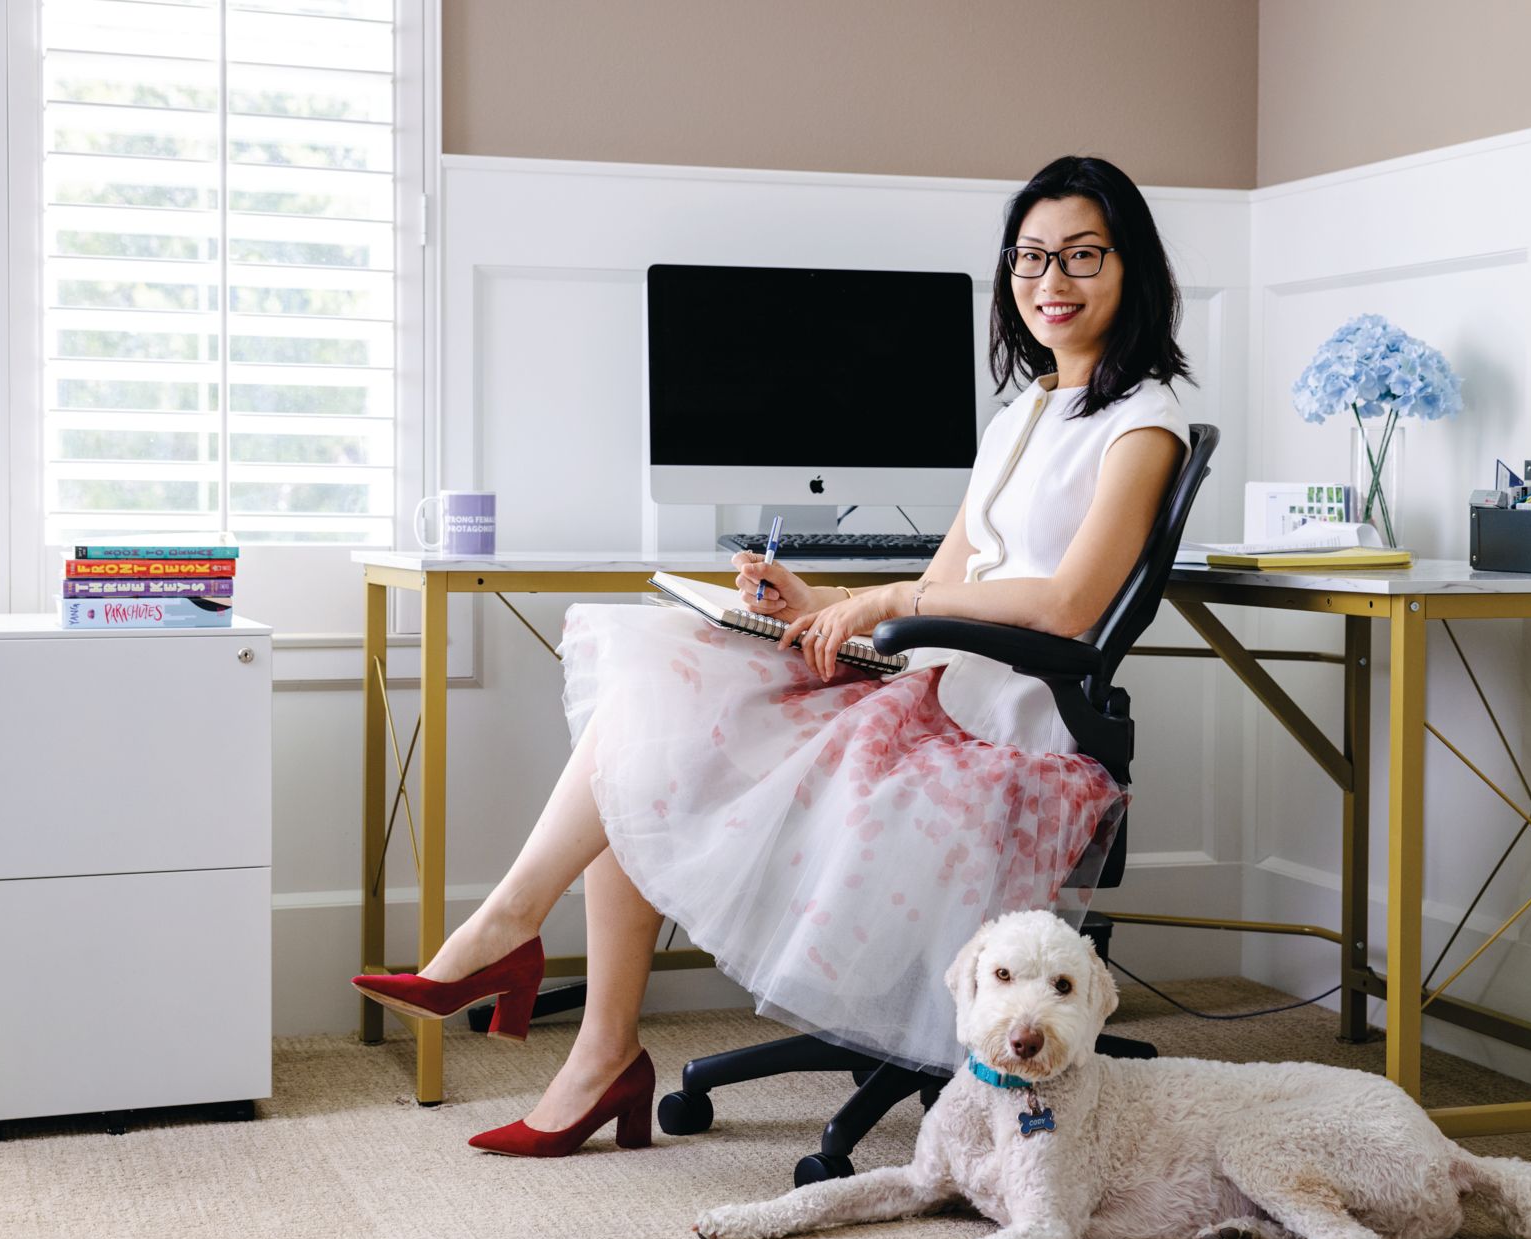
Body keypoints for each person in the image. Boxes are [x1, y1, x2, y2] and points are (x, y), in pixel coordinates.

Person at [352, 154, 1196, 1157]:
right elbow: (948, 575)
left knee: (659, 732)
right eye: (1030, 257)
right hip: (936, 680)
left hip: (1008, 724)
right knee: (658, 697)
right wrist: (822, 603)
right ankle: (583, 1023)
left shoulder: (1143, 424)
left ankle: (519, 954)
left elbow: (1065, 604)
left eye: (1082, 256)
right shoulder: (1024, 413)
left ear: (1131, 267)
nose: (1051, 280)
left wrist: (888, 600)